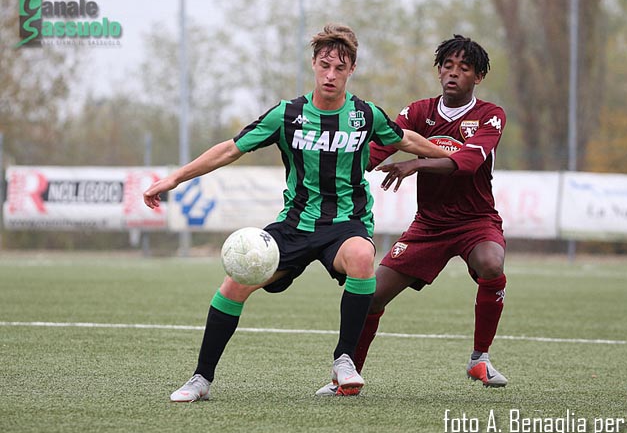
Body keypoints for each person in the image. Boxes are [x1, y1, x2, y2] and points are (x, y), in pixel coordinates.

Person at [143, 24, 451, 401]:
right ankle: (200, 379)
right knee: (235, 283)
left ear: (352, 69)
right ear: (314, 64)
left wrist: (455, 157)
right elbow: (230, 149)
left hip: (346, 224)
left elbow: (405, 140)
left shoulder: (365, 115)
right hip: (294, 225)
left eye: (340, 68)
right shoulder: (286, 114)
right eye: (325, 66)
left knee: (361, 256)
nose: (331, 75)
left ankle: (344, 361)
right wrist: (174, 178)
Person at [315, 35, 508, 396]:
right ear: (439, 71)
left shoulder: (490, 115)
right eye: (448, 66)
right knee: (372, 295)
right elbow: (379, 147)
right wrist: (338, 166)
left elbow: (469, 161)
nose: (453, 73)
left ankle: (479, 358)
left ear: (478, 76)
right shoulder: (419, 112)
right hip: (429, 226)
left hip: (476, 221)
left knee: (491, 263)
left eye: (464, 68)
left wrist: (415, 164)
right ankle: (347, 378)